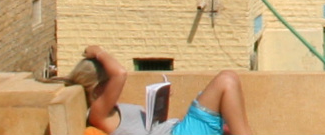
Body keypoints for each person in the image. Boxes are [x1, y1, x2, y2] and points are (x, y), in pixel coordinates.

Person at [64, 44, 247, 135]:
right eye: (107, 81)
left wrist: (161, 99)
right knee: (226, 80)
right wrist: (97, 52)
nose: (113, 87)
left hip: (177, 128)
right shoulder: (98, 114)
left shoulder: (111, 111)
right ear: (96, 89)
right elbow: (120, 74)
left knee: (229, 92)